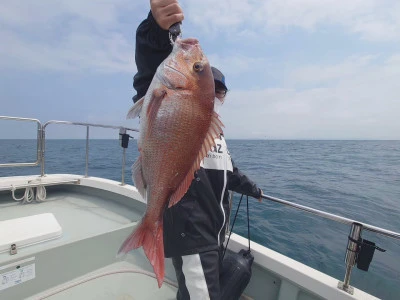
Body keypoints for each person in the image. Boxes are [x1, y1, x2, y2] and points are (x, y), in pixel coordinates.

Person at [131, 1, 263, 299]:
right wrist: (155, 29)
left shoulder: (214, 133)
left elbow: (228, 171)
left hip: (214, 232)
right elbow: (148, 76)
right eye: (211, 86)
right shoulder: (168, 98)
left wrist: (253, 188)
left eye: (221, 92)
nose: (216, 95)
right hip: (190, 233)